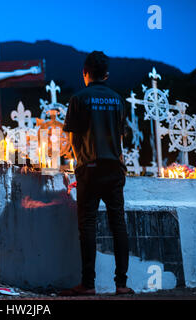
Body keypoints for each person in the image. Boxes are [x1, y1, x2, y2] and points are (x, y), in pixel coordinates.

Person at [60, 51, 134, 296]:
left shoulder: (79, 98)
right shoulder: (118, 99)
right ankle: (121, 284)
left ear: (85, 74)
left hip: (89, 169)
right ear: (106, 75)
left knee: (88, 225)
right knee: (118, 225)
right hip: (114, 170)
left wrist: (81, 160)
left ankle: (88, 284)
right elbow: (122, 136)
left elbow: (71, 137)